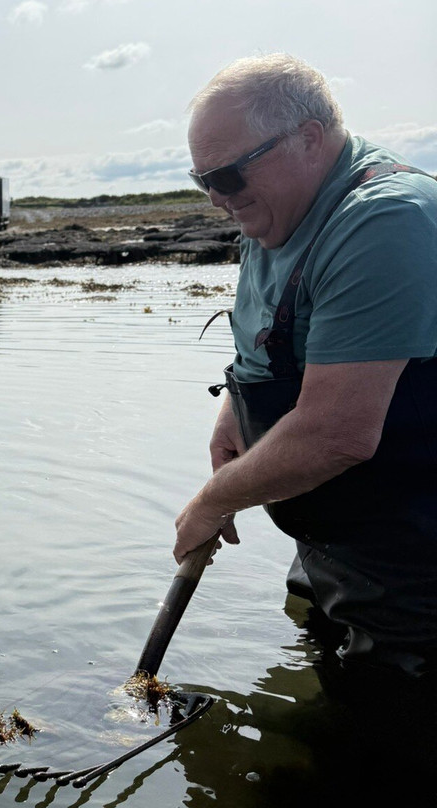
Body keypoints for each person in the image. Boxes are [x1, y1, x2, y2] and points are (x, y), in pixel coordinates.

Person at [174, 53, 437, 677]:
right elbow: (270, 342)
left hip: (414, 558)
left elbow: (335, 432)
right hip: (337, 538)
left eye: (229, 177)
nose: (216, 199)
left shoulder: (384, 222)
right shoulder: (274, 214)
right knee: (316, 683)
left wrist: (213, 501)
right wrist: (233, 411)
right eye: (201, 180)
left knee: (385, 735)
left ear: (309, 140)